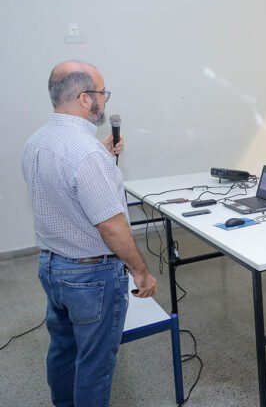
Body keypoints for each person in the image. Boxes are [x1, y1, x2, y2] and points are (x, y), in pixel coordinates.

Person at [22, 60, 157, 407]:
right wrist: (141, 272)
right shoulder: (85, 152)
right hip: (90, 276)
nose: (105, 99)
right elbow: (110, 225)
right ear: (85, 98)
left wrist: (103, 155)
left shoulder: (37, 141)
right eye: (102, 92)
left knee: (63, 349)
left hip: (51, 267)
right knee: (95, 363)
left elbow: (65, 190)